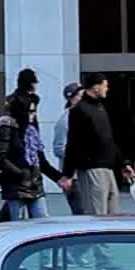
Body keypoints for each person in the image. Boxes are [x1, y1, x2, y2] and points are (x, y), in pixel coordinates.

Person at [0, 91, 70, 221]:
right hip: (16, 186)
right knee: (17, 222)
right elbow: (0, 157)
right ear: (22, 111)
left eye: (34, 112)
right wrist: (20, 173)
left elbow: (41, 161)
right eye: (30, 112)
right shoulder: (7, 128)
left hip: (35, 185)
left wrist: (58, 178)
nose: (33, 116)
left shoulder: (32, 131)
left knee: (42, 220)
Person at [62, 73, 128, 217]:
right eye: (105, 86)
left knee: (112, 209)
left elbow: (109, 139)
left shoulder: (100, 108)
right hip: (91, 167)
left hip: (107, 166)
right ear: (96, 87)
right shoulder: (80, 110)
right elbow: (73, 142)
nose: (107, 89)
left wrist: (122, 164)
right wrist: (68, 173)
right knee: (96, 212)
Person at [53, 81, 84, 214]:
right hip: (73, 177)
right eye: (81, 96)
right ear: (72, 98)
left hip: (84, 174)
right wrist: (78, 156)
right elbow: (58, 148)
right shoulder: (65, 121)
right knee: (81, 213)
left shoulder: (83, 118)